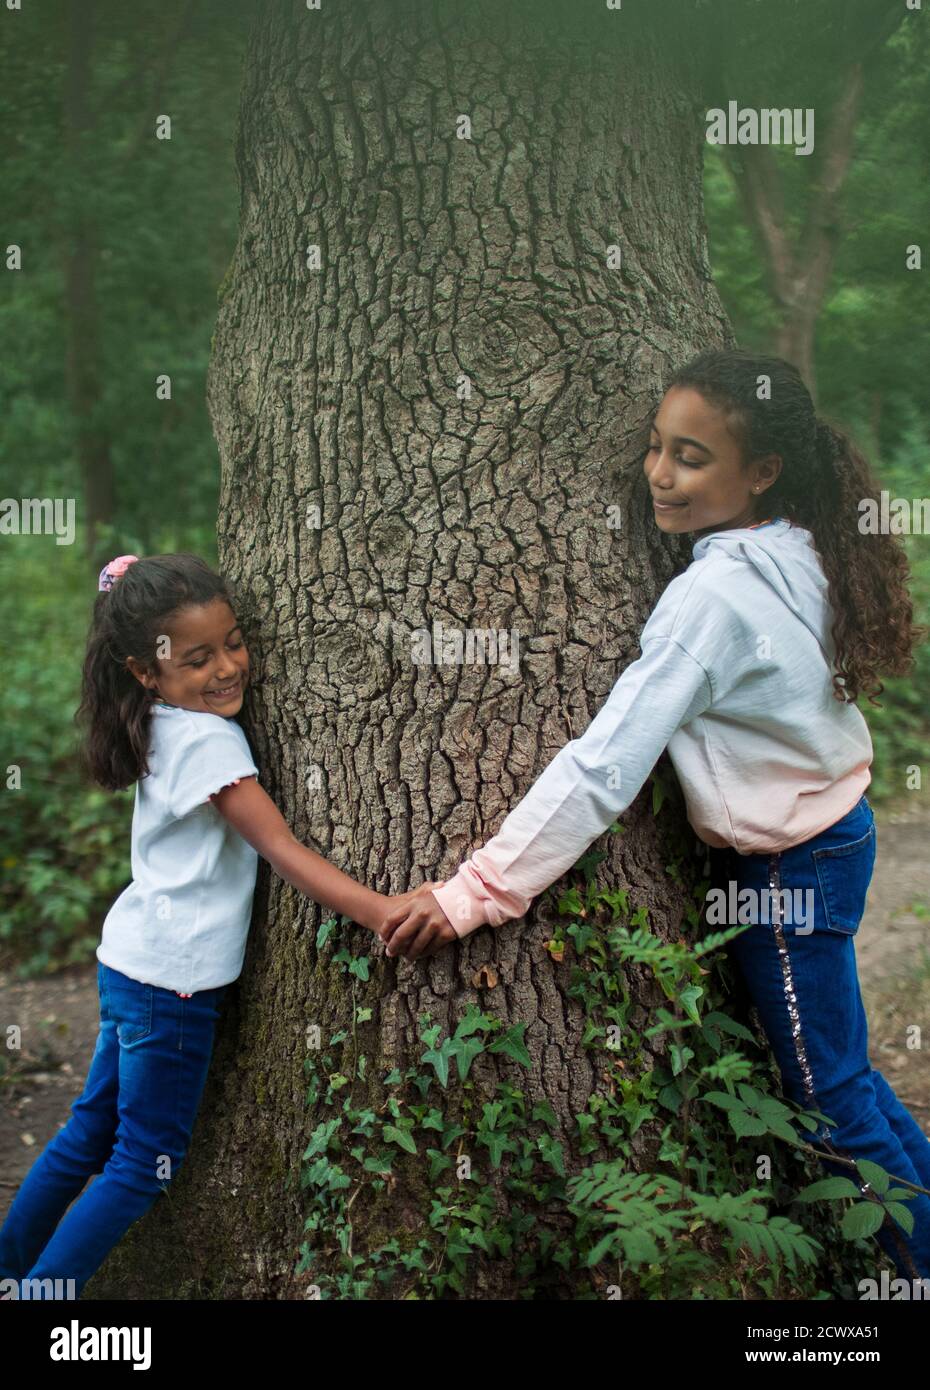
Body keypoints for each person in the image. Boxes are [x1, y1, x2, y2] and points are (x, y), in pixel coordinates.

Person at [379, 347, 930, 1281]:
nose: (659, 476)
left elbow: (603, 768)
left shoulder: (708, 599)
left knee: (829, 1097)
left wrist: (478, 890)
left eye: (691, 457)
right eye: (654, 447)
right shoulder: (794, 544)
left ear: (762, 473)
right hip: (834, 835)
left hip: (789, 873)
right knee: (849, 1074)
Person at [0, 552, 436, 1300]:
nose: (228, 667)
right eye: (198, 658)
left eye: (233, 642)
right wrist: (384, 909)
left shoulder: (160, 720)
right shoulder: (206, 740)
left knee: (85, 1133)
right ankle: (42, 1296)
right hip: (173, 984)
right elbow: (280, 847)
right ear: (147, 669)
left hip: (131, 963)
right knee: (143, 1161)